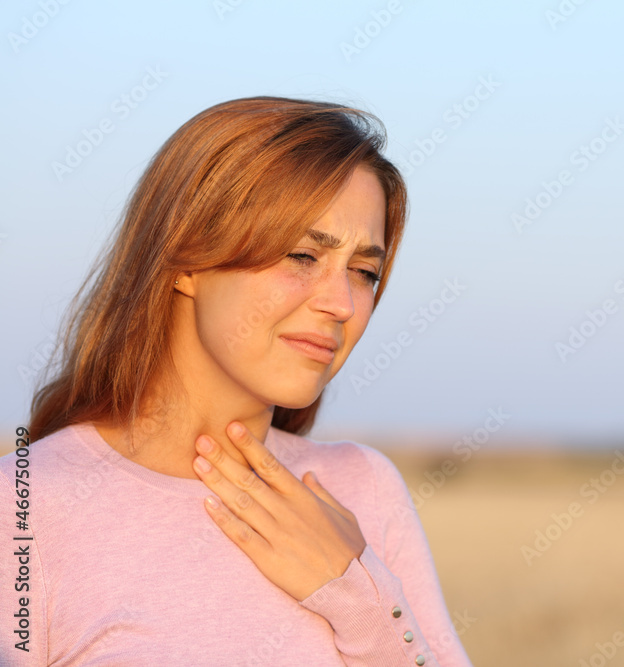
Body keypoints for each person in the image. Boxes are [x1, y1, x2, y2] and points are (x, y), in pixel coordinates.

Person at [0, 96, 474, 666]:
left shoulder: (365, 488)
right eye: (303, 255)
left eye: (364, 271)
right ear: (187, 261)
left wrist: (359, 596)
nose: (342, 303)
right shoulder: (25, 505)